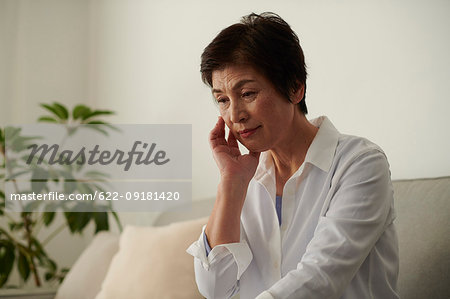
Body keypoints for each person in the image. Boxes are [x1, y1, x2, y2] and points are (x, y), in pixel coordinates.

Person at [187, 12, 399, 299]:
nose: (234, 114)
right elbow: (214, 288)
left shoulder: (360, 164)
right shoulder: (245, 177)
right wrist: (231, 182)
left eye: (247, 93)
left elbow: (321, 277)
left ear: (295, 87)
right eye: (222, 99)